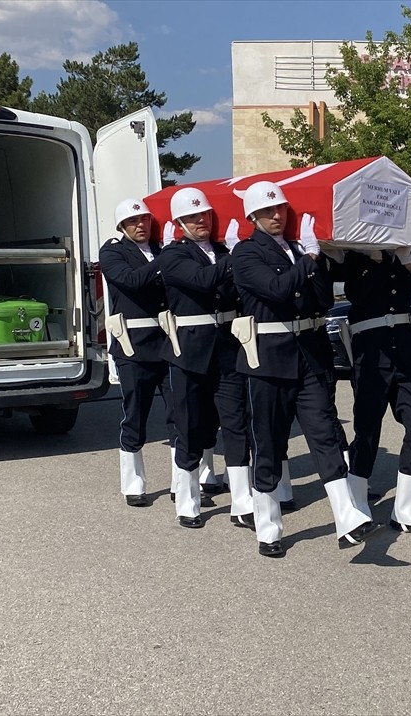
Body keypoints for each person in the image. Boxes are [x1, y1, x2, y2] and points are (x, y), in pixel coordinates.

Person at [231, 180, 380, 558]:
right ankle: (268, 528)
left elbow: (322, 301)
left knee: (325, 435)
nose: (277, 215)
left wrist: (318, 259)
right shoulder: (246, 254)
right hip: (267, 360)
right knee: (269, 442)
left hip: (309, 356)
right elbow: (277, 289)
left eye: (280, 209)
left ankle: (347, 519)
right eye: (267, 211)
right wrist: (309, 260)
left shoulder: (299, 249)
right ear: (252, 216)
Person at [157, 187, 254, 530]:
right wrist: (235, 256)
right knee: (190, 425)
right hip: (190, 354)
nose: (202, 221)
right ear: (179, 222)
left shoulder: (223, 250)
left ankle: (243, 502)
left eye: (205, 215)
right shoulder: (172, 255)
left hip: (227, 349)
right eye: (194, 217)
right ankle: (187, 501)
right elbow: (203, 281)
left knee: (236, 423)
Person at [330, 245, 411, 539]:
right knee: (367, 429)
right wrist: (375, 258)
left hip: (404, 352)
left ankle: (404, 507)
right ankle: (357, 499)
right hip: (372, 352)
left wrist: (407, 261)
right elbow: (358, 294)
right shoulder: (354, 258)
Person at [99, 198, 172, 509]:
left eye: (144, 220)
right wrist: (167, 259)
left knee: (180, 413)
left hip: (167, 341)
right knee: (135, 414)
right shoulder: (113, 251)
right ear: (122, 227)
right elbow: (131, 281)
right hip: (134, 345)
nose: (141, 225)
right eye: (134, 222)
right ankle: (134, 483)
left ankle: (184, 482)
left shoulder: (158, 249)